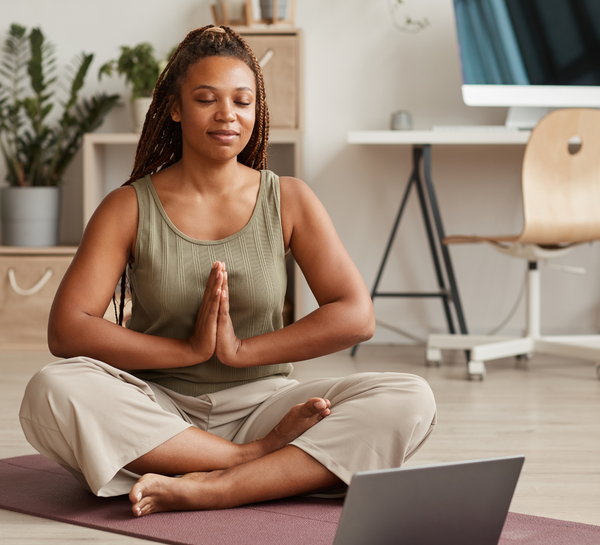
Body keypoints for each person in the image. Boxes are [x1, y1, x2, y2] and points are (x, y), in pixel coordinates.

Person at [19, 25, 436, 518]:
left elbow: (355, 315)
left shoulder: (291, 199)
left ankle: (215, 488)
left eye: (242, 101)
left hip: (266, 407)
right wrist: (186, 351)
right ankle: (250, 465)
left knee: (410, 397)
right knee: (54, 388)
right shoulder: (127, 206)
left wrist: (241, 352)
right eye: (206, 99)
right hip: (158, 409)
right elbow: (68, 329)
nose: (227, 115)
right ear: (175, 108)